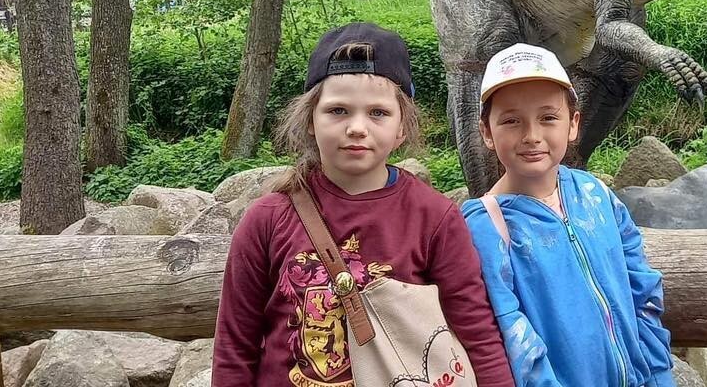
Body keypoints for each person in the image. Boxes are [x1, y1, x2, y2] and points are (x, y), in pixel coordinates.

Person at [213, 23, 514, 386]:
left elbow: (477, 335)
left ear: (402, 127)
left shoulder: (434, 218)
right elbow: (235, 346)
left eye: (378, 113)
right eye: (338, 110)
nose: (357, 127)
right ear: (310, 120)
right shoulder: (267, 220)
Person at [461, 43, 675, 387]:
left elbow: (643, 289)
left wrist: (659, 376)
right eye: (511, 121)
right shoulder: (486, 226)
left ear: (573, 124)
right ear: (487, 131)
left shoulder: (597, 195)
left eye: (548, 117)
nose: (532, 136)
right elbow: (513, 336)